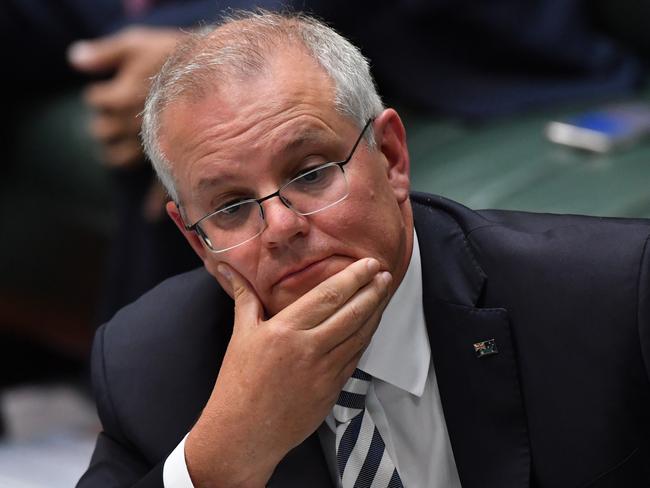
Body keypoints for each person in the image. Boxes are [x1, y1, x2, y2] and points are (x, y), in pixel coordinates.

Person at [77, 10, 650, 488]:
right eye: (230, 208)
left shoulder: (615, 300)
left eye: (311, 172)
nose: (280, 225)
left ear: (392, 158)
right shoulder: (147, 366)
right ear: (195, 238)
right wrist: (223, 457)